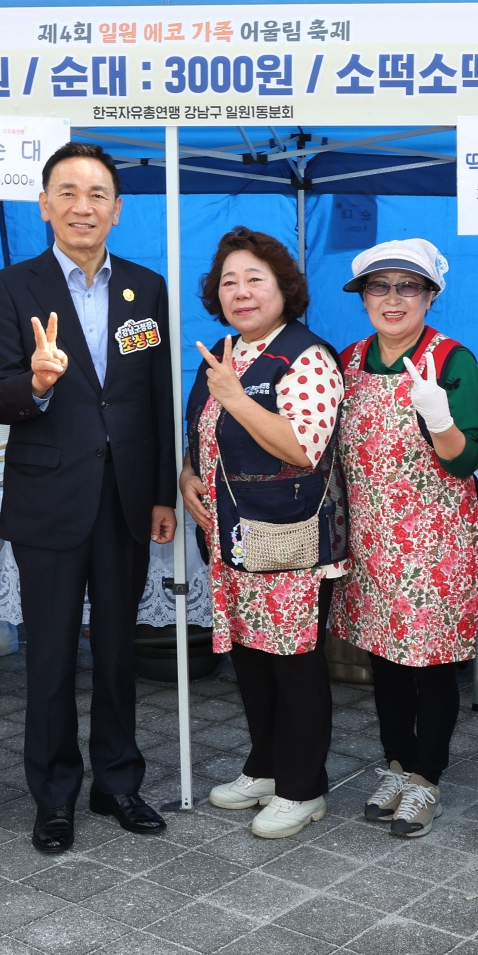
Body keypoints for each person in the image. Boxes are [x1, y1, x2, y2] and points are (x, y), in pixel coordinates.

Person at [0, 142, 177, 853]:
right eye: (67, 192)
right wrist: (35, 382)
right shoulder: (11, 288)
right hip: (50, 498)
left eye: (97, 194)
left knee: (121, 651)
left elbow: (155, 398)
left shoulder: (146, 289)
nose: (82, 205)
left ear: (118, 210)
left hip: (126, 499)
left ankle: (117, 783)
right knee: (53, 654)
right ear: (44, 205)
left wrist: (162, 494)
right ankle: (54, 793)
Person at [183, 227, 347, 839]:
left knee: (293, 663)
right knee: (251, 656)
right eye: (229, 281)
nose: (241, 292)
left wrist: (234, 396)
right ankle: (266, 766)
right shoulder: (226, 352)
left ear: (285, 289)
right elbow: (204, 435)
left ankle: (303, 786)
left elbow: (305, 447)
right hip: (233, 538)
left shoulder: (306, 356)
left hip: (290, 540)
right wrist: (186, 476)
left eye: (255, 279)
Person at [329, 240, 478, 839]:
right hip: (370, 538)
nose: (393, 299)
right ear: (363, 296)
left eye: (408, 287)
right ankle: (394, 764)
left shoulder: (453, 360)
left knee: (432, 665)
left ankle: (427, 779)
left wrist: (439, 418)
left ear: (431, 295)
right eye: (379, 286)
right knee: (384, 661)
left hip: (433, 542)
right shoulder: (347, 362)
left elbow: (466, 460)